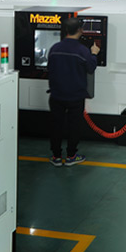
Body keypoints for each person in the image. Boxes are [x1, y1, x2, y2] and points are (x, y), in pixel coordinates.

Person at [47, 17, 100, 166]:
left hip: (56, 95)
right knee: (74, 126)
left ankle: (56, 156)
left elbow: (49, 68)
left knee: (56, 126)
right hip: (75, 96)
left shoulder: (54, 48)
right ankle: (71, 156)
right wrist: (94, 54)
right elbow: (90, 68)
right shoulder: (82, 51)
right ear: (80, 30)